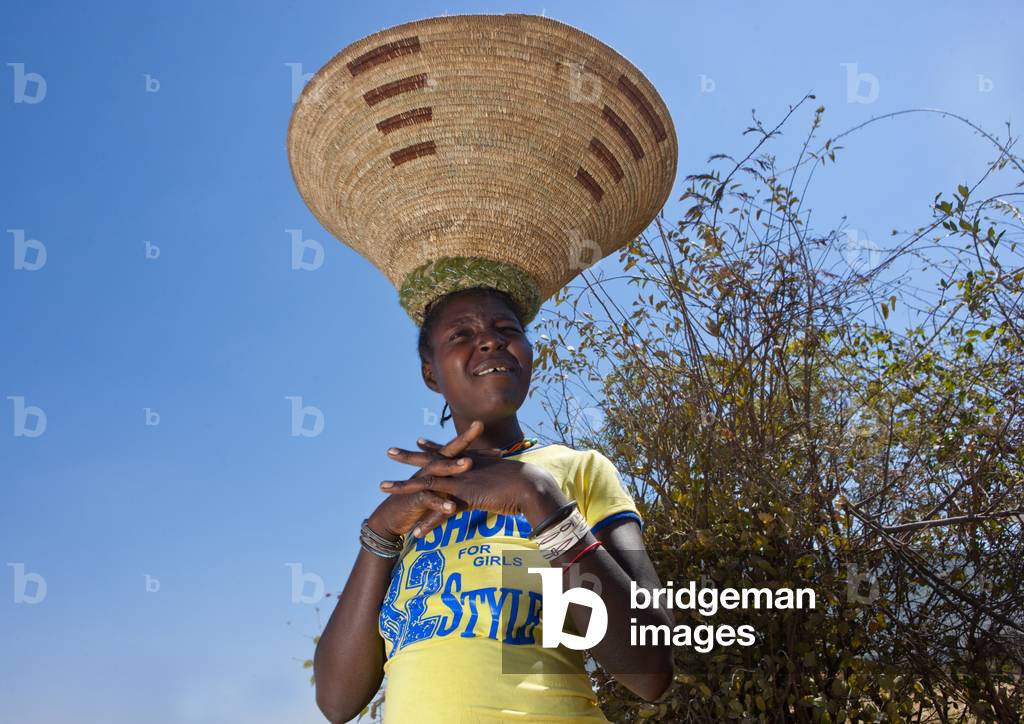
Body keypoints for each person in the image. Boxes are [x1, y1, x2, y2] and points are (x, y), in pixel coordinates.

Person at [313, 286, 673, 723]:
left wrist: (537, 496)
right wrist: (379, 536)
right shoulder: (413, 504)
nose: (490, 340)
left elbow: (650, 670)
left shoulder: (577, 471)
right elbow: (336, 702)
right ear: (431, 374)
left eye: (506, 329)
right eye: (461, 334)